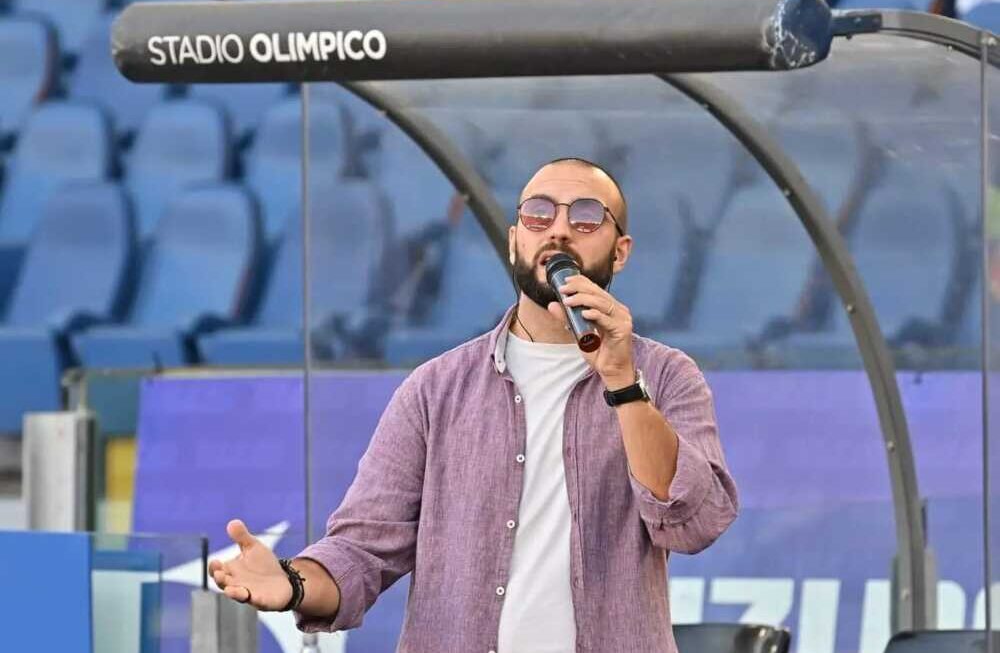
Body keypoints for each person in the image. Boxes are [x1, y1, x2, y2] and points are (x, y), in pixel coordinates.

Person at [209, 157, 739, 653]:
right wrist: (293, 582)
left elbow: (693, 523)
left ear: (620, 251)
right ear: (514, 242)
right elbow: (362, 551)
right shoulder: (436, 389)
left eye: (584, 218)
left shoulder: (668, 376)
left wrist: (622, 381)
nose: (556, 230)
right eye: (537, 215)